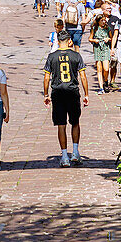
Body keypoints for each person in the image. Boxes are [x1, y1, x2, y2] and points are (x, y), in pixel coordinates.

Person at [43, 28, 89, 167]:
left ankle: (64, 156)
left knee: (61, 124)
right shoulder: (76, 56)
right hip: (72, 91)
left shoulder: (52, 57)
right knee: (75, 122)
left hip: (57, 92)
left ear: (57, 41)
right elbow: (83, 76)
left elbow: (46, 78)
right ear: (69, 41)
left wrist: (45, 94)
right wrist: (86, 94)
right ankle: (75, 152)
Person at [88, 12, 112, 93]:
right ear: (98, 21)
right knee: (99, 69)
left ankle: (105, 81)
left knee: (106, 68)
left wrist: (108, 39)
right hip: (97, 48)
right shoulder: (94, 28)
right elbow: (90, 38)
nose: (104, 22)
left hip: (105, 48)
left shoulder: (107, 28)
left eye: (104, 20)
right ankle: (101, 87)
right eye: (102, 20)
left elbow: (111, 38)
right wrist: (95, 40)